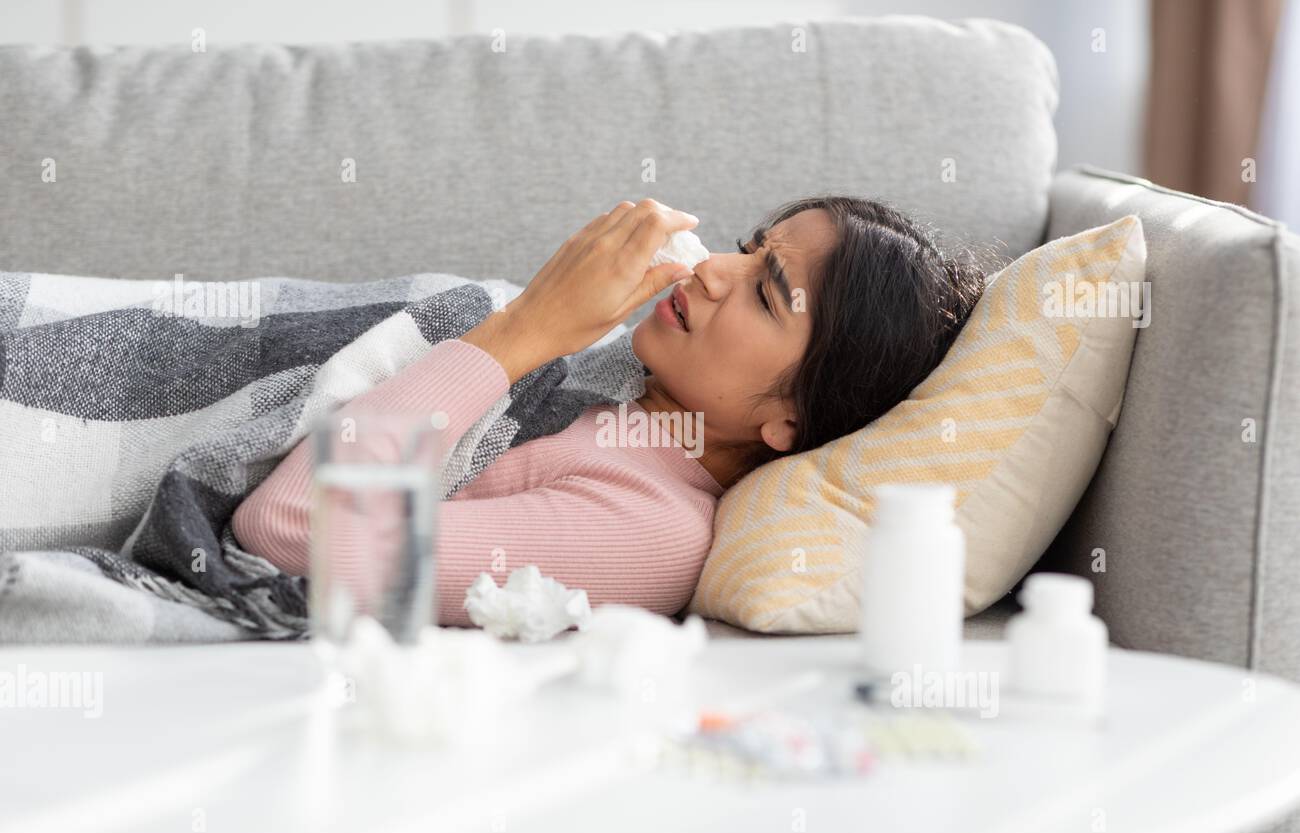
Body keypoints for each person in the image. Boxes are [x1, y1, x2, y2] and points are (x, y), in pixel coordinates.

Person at [231, 196, 985, 625]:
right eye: (747, 249)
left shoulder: (651, 529)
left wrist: (524, 328)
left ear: (792, 421)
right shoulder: (609, 363)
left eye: (766, 291)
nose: (715, 269)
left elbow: (296, 535)